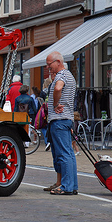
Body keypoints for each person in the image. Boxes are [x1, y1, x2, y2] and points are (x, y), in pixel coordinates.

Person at [44, 51, 78, 195]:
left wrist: (55, 103)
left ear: (58, 62)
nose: (48, 67)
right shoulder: (69, 75)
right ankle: (71, 185)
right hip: (66, 119)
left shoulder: (62, 75)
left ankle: (66, 186)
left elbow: (58, 87)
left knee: (63, 154)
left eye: (49, 64)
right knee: (68, 154)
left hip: (59, 120)